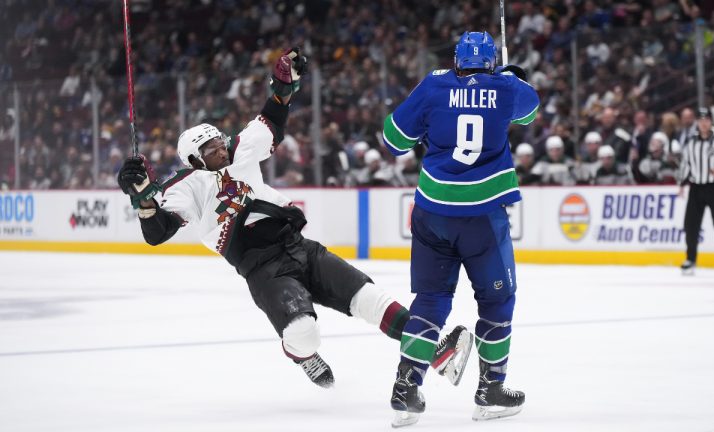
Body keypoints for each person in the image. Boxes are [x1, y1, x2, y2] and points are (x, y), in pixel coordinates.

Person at [116, 48, 467, 389]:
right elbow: (157, 232)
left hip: (298, 246)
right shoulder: (184, 186)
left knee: (370, 297)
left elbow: (270, 122)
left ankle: (436, 354)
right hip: (263, 268)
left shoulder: (238, 152)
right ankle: (302, 355)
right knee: (302, 332)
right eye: (211, 150)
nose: (221, 149)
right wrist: (144, 197)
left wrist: (282, 88)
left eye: (220, 142)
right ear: (194, 160)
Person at [382, 31, 539, 426]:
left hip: (432, 212)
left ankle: (406, 387)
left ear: (456, 59)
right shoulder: (504, 87)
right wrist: (510, 75)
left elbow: (393, 139)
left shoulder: (434, 83)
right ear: (489, 62)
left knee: (431, 300)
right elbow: (531, 108)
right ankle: (491, 390)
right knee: (497, 300)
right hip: (482, 217)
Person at [678, 107, 714, 275]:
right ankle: (690, 259)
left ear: (711, 121)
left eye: (706, 120)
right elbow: (686, 163)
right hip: (696, 187)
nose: (704, 123)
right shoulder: (690, 141)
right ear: (697, 122)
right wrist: (682, 183)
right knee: (691, 225)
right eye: (701, 120)